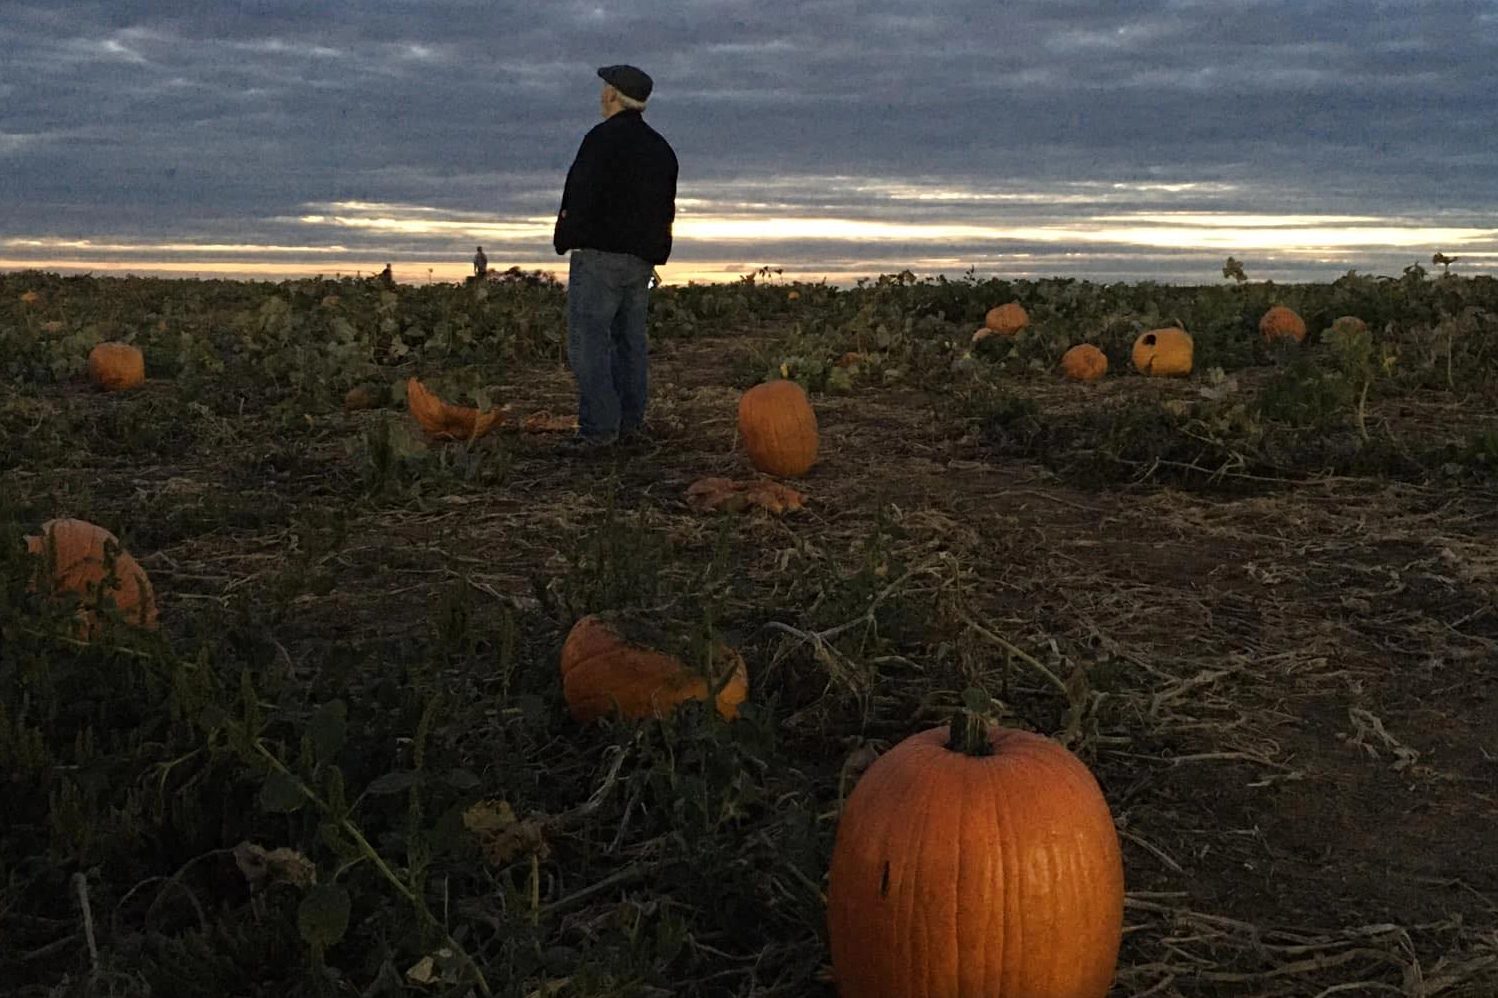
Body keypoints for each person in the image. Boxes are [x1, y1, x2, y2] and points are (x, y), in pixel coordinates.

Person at [553, 64, 679, 448]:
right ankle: (629, 423)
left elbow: (581, 193)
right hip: (640, 261)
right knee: (630, 343)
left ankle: (598, 429)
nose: (601, 95)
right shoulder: (662, 150)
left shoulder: (600, 140)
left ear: (613, 95)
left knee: (588, 342)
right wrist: (655, 252)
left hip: (599, 258)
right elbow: (664, 210)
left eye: (604, 88)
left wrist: (566, 235)